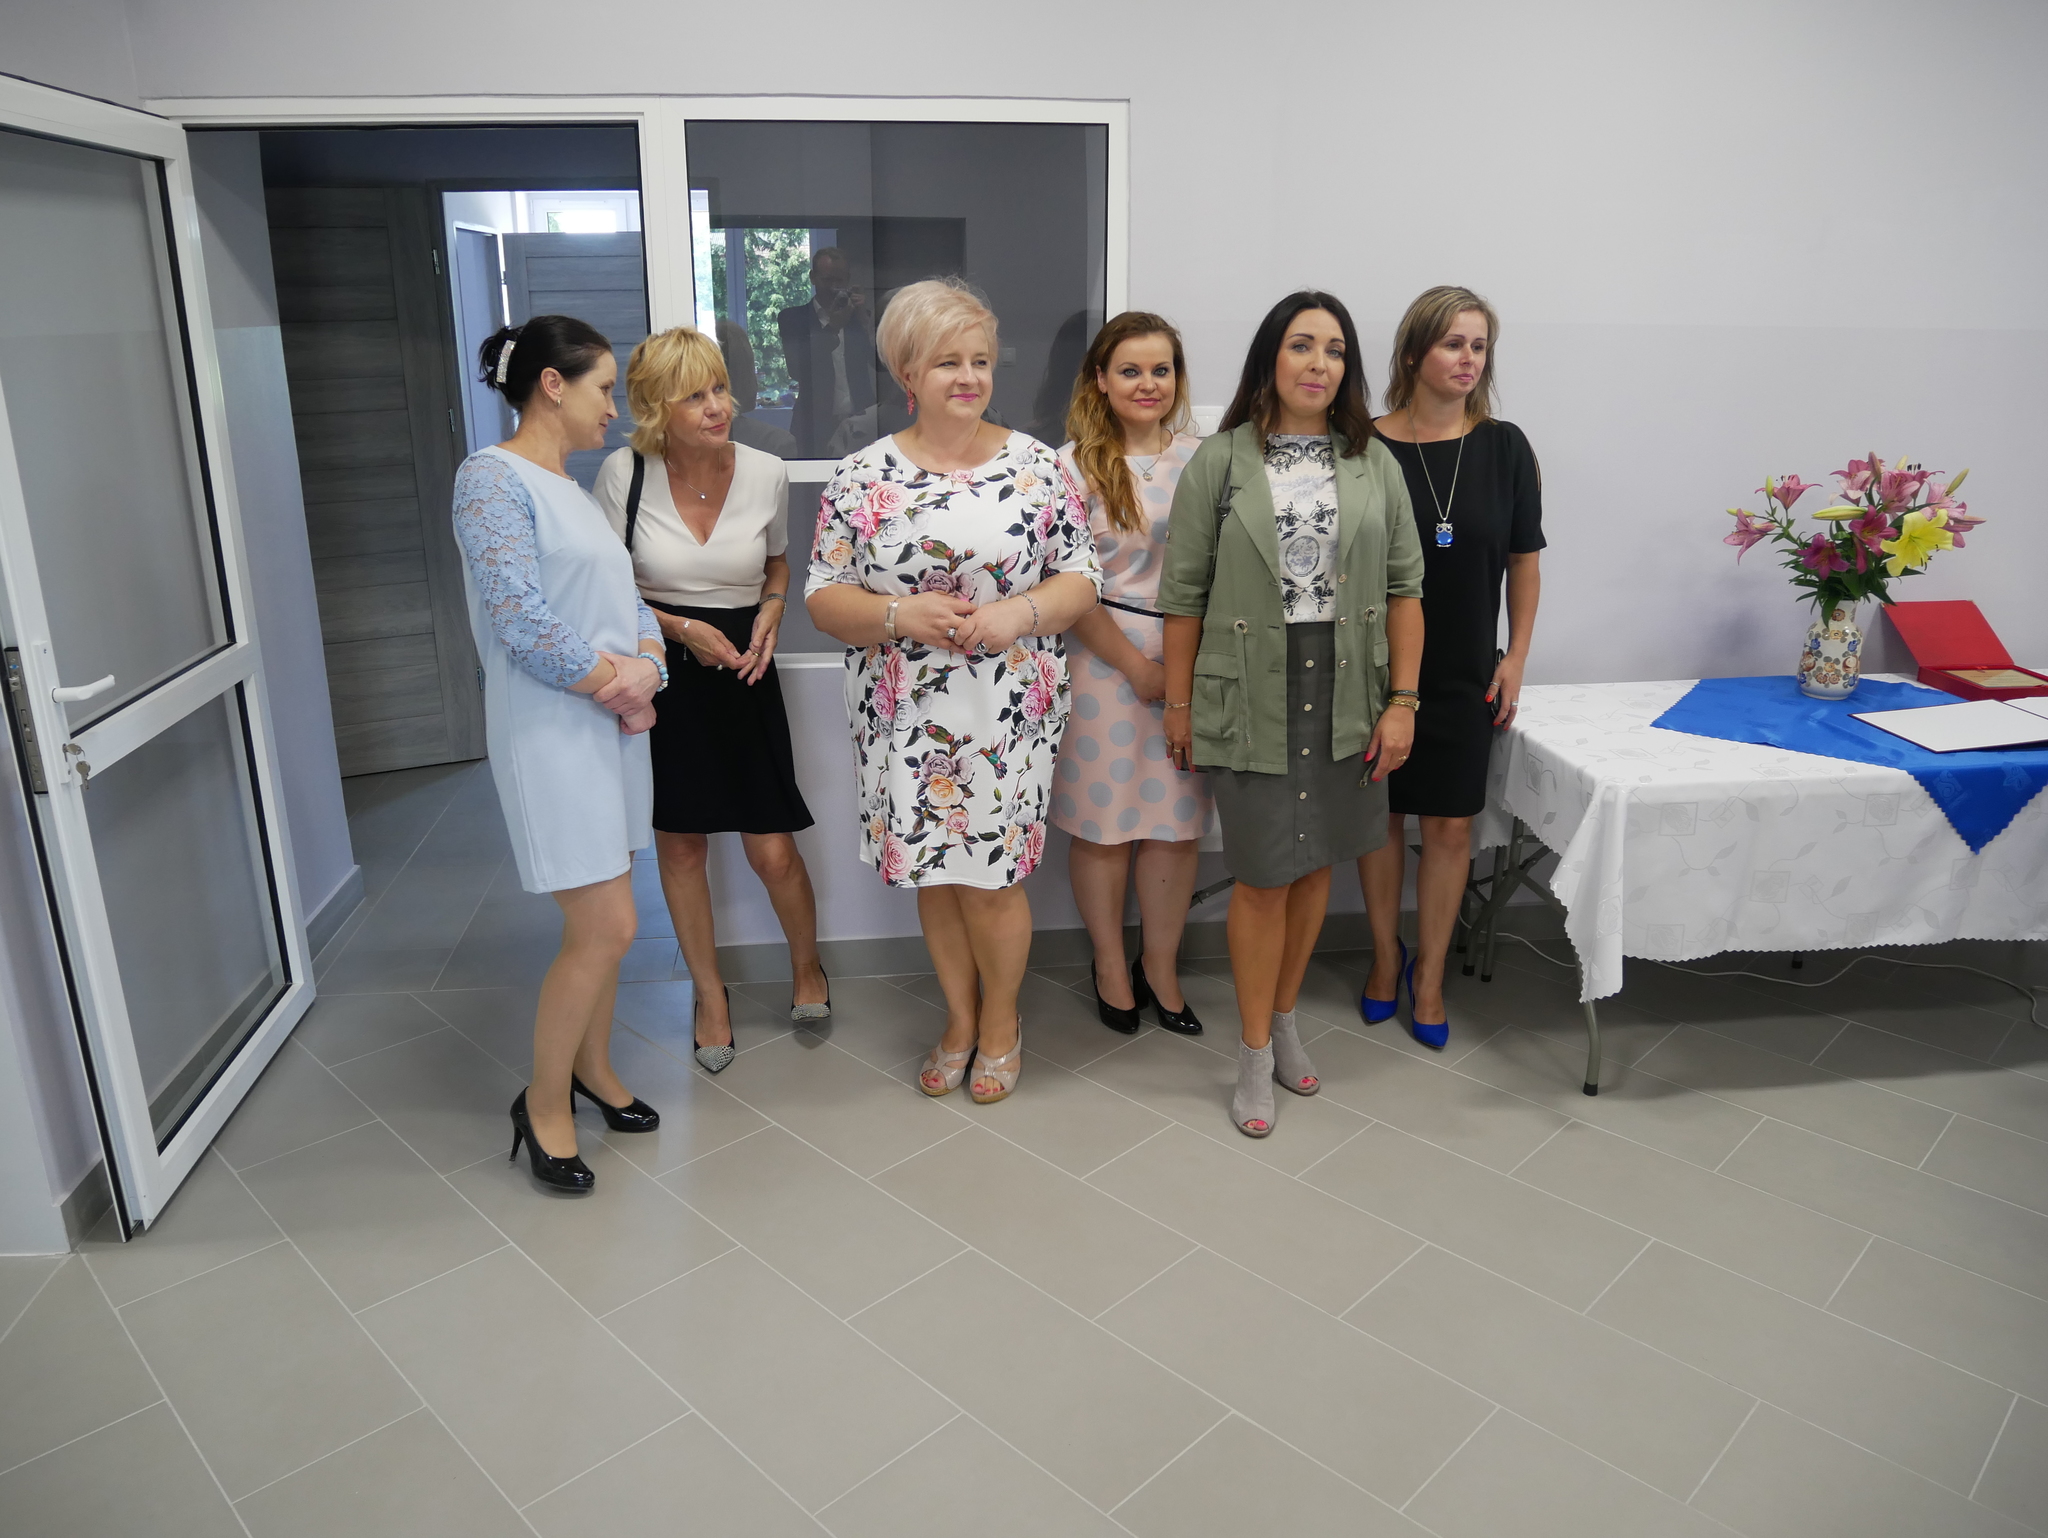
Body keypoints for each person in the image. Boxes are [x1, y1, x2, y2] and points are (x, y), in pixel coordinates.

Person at [806, 277, 1101, 1105]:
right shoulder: (861, 474)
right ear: (907, 371)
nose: (969, 377)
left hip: (1006, 710)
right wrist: (898, 614)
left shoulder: (1039, 468)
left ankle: (1002, 1024)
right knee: (935, 875)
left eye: (980, 360)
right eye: (947, 362)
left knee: (993, 879)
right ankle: (960, 1019)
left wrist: (1018, 613)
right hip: (904, 713)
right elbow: (824, 598)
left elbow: (1082, 577)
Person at [1159, 292, 1424, 1138]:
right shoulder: (1220, 461)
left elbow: (1406, 590)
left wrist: (1403, 702)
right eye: (1303, 345)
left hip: (1349, 686)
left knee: (1317, 870)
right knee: (1264, 876)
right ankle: (1249, 1053)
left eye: (1336, 350)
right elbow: (1182, 597)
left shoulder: (1372, 461)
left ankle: (1283, 1022)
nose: (1319, 363)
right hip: (1251, 688)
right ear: (1270, 357)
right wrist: (1178, 704)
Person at [452, 315, 668, 1194]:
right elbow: (519, 618)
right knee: (608, 925)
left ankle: (595, 1071)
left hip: (609, 724)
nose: (614, 408)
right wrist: (622, 682)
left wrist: (649, 665)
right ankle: (543, 1103)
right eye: (604, 388)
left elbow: (628, 600)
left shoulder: (570, 487)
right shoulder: (490, 480)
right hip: (551, 731)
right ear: (551, 384)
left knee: (604, 927)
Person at [594, 327, 830, 1075]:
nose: (717, 406)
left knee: (772, 849)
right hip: (664, 665)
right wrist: (680, 629)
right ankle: (709, 996)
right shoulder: (623, 473)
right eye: (694, 395)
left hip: (745, 664)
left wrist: (773, 607)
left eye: (720, 388)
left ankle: (808, 966)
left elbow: (778, 562)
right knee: (681, 845)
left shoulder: (765, 470)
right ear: (657, 408)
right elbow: (605, 586)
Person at [1357, 287, 1543, 1048]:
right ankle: (1384, 958)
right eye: (1452, 344)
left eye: (1478, 346)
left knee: (1449, 828)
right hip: (1373, 671)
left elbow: (1524, 561)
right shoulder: (1362, 447)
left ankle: (1429, 975)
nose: (1468, 359)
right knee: (1377, 821)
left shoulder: (1504, 448)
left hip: (1466, 668)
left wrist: (1517, 657)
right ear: (1412, 355)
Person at [1052, 312, 1211, 1035]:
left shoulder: (1206, 461)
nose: (1148, 384)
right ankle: (1111, 965)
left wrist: (1177, 674)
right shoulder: (1068, 468)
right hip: (1101, 659)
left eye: (1161, 370)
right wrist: (1135, 667)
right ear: (1100, 379)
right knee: (1105, 826)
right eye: (1130, 370)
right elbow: (1065, 583)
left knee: (1176, 826)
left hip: (1192, 658)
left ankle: (1162, 967)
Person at [777, 246, 878, 455]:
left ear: (848, 280)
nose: (833, 287)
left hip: (861, 422)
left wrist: (863, 318)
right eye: (827, 280)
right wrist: (832, 328)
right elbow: (797, 369)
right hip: (813, 425)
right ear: (813, 277)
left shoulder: (859, 317)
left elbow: (879, 362)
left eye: (839, 281)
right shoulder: (793, 318)